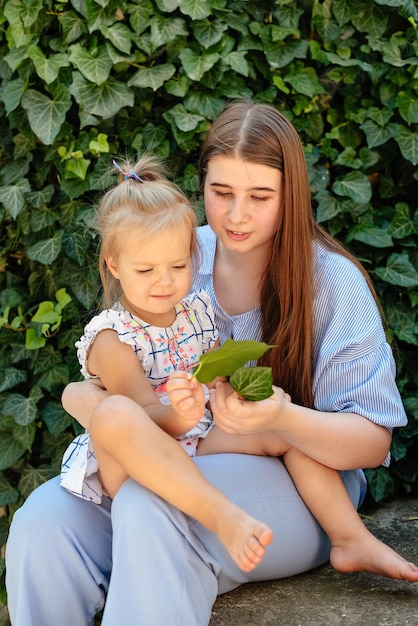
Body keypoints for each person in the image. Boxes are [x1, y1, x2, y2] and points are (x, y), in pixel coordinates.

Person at [6, 100, 418, 626]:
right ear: (201, 186)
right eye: (221, 193)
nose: (236, 215)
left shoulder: (333, 283)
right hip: (179, 448)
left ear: (291, 196)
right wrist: (85, 396)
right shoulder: (176, 252)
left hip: (297, 478)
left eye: (260, 196)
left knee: (153, 505)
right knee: (41, 525)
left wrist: (280, 417)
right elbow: (120, 365)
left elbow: (372, 442)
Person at [59, 154, 274, 572]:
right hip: (137, 456)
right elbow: (143, 418)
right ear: (115, 266)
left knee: (277, 425)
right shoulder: (112, 338)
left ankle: (345, 533)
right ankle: (221, 516)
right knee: (118, 414)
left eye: (178, 265)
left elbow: (218, 378)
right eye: (145, 269)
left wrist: (230, 397)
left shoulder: (197, 310)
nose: (164, 281)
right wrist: (182, 413)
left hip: (197, 433)